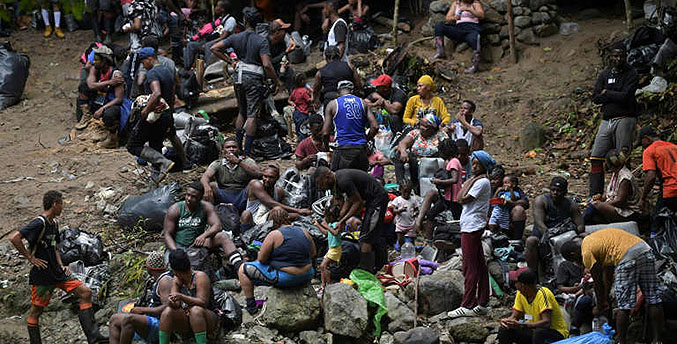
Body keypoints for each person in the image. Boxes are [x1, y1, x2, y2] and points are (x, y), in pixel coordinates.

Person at [9, 191, 107, 344]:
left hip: (58, 272)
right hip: (43, 276)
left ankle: (94, 337)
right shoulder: (39, 223)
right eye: (61, 203)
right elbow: (14, 238)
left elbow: (54, 247)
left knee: (86, 292)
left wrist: (62, 265)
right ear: (54, 204)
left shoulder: (53, 224)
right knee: (36, 312)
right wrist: (31, 258)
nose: (62, 207)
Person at [560, 228, 664, 344]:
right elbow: (607, 275)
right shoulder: (599, 239)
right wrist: (605, 298)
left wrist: (599, 306)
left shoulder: (586, 252)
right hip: (645, 250)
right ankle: (658, 340)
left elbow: (598, 282)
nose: (577, 263)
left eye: (574, 260)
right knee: (653, 299)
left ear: (573, 253)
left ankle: (621, 341)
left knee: (624, 305)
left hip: (627, 258)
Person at [210, 7, 280, 158]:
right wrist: (276, 80)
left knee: (242, 111)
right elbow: (267, 65)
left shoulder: (236, 37)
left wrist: (231, 61)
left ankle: (236, 147)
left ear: (244, 21)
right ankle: (246, 152)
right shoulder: (261, 40)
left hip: (238, 76)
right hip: (253, 78)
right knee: (252, 114)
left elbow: (214, 48)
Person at [239, 207, 317, 315]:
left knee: (243, 269)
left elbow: (261, 259)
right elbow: (313, 253)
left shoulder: (274, 234)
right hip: (308, 274)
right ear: (287, 218)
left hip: (287, 278)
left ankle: (251, 306)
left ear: (272, 221)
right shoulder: (304, 231)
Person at [314, 167, 389, 272]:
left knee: (366, 237)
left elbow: (358, 203)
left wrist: (342, 220)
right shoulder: (337, 182)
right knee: (369, 233)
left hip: (377, 200)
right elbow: (350, 199)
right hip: (369, 201)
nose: (321, 187)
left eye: (321, 183)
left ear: (327, 177)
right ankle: (378, 265)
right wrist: (341, 216)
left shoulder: (343, 180)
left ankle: (366, 270)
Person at [448, 151, 494, 319]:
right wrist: (468, 181)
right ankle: (483, 302)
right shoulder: (476, 180)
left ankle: (467, 304)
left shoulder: (482, 182)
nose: (473, 166)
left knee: (470, 266)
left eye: (477, 164)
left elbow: (461, 198)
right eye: (472, 163)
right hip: (469, 225)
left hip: (472, 227)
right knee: (480, 265)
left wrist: (467, 182)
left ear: (484, 167)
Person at [589, 46, 639, 197]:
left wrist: (607, 92)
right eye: (615, 56)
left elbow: (626, 96)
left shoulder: (631, 73)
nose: (618, 59)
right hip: (607, 120)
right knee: (596, 156)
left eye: (621, 56)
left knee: (622, 158)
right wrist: (614, 94)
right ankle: (595, 195)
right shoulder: (605, 74)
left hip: (625, 118)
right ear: (610, 57)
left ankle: (624, 195)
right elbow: (596, 97)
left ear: (626, 56)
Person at [125, 47, 179, 183]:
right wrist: (169, 113)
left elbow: (156, 93)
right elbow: (172, 94)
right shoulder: (168, 71)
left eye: (143, 62)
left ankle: (164, 163)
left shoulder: (152, 74)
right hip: (166, 114)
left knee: (133, 145)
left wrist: (145, 111)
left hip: (154, 116)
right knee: (156, 145)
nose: (143, 65)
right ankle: (155, 182)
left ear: (149, 59)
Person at [163, 181, 243, 269]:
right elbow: (167, 234)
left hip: (197, 243)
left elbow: (217, 226)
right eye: (187, 195)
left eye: (193, 197)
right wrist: (175, 251)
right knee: (173, 268)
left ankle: (239, 266)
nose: (189, 199)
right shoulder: (175, 209)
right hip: (179, 245)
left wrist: (204, 235)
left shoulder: (206, 207)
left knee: (222, 236)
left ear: (200, 198)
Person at [109, 251, 174, 344]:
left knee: (129, 320)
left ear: (149, 267)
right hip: (150, 319)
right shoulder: (156, 279)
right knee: (114, 319)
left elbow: (167, 307)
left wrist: (143, 310)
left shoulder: (165, 281)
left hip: (160, 324)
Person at [159, 249, 219, 344]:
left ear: (175, 270)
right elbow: (176, 304)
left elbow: (203, 302)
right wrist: (171, 301)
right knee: (167, 312)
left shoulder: (200, 277)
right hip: (188, 319)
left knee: (195, 310)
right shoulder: (176, 279)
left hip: (207, 318)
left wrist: (182, 297)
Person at [525, 177, 584, 273]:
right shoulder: (541, 201)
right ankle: (532, 275)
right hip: (543, 238)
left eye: (559, 191)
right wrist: (550, 236)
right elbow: (540, 224)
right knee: (531, 241)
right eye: (553, 190)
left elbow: (580, 226)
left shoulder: (571, 205)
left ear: (565, 192)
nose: (555, 193)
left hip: (563, 239)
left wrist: (571, 233)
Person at [498, 268, 568, 343]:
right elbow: (515, 315)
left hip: (554, 333)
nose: (514, 285)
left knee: (539, 333)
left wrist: (523, 325)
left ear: (522, 285)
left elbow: (546, 322)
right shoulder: (520, 293)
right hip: (533, 330)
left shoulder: (543, 294)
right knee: (504, 329)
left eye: (516, 282)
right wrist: (508, 322)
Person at [323, 80, 379, 172]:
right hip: (360, 149)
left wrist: (326, 148)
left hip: (343, 148)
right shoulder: (363, 103)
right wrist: (366, 139)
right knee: (360, 180)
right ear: (352, 91)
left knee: (340, 180)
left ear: (338, 92)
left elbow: (325, 133)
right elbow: (375, 126)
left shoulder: (333, 104)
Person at [416, 139, 464, 240]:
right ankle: (428, 240)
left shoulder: (454, 162)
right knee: (431, 214)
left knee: (457, 221)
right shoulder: (450, 162)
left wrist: (439, 182)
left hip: (453, 198)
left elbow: (454, 180)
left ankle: (458, 241)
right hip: (446, 197)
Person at [81, 46, 128, 149]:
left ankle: (113, 139)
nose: (93, 62)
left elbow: (118, 99)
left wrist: (103, 108)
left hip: (113, 102)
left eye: (97, 60)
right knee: (83, 87)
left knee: (108, 114)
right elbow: (90, 85)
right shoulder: (96, 69)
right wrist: (109, 82)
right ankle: (87, 118)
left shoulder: (115, 74)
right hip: (102, 98)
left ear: (104, 61)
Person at [240, 164, 313, 229]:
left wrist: (300, 214)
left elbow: (283, 211)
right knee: (246, 214)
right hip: (253, 220)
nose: (267, 180)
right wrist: (298, 210)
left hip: (268, 221)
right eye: (265, 176)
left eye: (271, 177)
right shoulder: (255, 184)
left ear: (277, 178)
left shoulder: (279, 191)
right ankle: (246, 237)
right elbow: (270, 203)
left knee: (294, 216)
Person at [201, 137, 262, 212]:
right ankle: (210, 214)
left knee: (254, 184)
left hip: (242, 194)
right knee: (210, 185)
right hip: (224, 194)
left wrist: (239, 162)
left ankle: (252, 214)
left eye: (234, 147)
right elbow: (205, 177)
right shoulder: (218, 163)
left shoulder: (247, 161)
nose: (231, 149)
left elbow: (258, 174)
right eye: (228, 147)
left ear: (239, 149)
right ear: (223, 150)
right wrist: (207, 187)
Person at [584, 149, 640, 224]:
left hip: (627, 211)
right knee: (594, 206)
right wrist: (601, 198)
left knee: (596, 205)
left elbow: (620, 201)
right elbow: (610, 193)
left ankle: (582, 222)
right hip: (616, 207)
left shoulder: (625, 178)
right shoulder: (616, 172)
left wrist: (603, 205)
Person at [394, 114, 449, 190]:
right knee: (398, 154)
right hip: (415, 163)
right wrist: (403, 151)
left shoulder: (440, 135)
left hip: (432, 163)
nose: (421, 128)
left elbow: (448, 149)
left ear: (433, 128)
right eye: (421, 125)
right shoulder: (416, 133)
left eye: (425, 126)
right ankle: (401, 184)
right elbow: (403, 143)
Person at [183, 0, 237, 70]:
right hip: (215, 41)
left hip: (225, 44)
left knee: (208, 45)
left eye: (217, 6)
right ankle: (187, 69)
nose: (215, 8)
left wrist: (209, 43)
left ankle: (210, 69)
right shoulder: (220, 19)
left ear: (222, 9)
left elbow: (224, 37)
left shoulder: (230, 20)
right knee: (191, 45)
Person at [433, 0, 484, 73]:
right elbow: (448, 17)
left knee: (475, 37)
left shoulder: (475, 3)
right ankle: (440, 52)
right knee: (439, 26)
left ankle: (475, 65)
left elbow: (481, 15)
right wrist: (454, 18)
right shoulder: (456, 3)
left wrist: (469, 10)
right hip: (459, 28)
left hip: (472, 28)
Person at [638, 126, 677, 213]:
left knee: (657, 221)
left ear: (647, 139)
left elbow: (651, 176)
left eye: (642, 143)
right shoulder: (674, 146)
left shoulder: (650, 150)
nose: (642, 147)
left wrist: (643, 198)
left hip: (671, 189)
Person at [558, 242, 594, 335]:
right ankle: (575, 326)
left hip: (593, 289)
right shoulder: (565, 266)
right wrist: (578, 287)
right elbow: (561, 287)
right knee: (584, 301)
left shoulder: (589, 260)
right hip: (576, 293)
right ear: (573, 254)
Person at [313, 202, 343, 289]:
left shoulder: (337, 224)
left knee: (323, 266)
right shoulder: (330, 225)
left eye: (326, 216)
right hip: (331, 249)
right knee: (323, 267)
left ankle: (329, 284)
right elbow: (327, 233)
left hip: (335, 249)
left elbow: (335, 233)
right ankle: (323, 284)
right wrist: (318, 225)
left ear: (331, 217)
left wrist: (326, 226)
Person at [288, 73, 313, 143]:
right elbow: (310, 101)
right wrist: (312, 93)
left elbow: (289, 100)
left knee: (298, 130)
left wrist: (293, 103)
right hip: (303, 113)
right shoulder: (304, 91)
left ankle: (299, 144)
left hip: (296, 113)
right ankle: (303, 145)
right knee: (304, 131)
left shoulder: (294, 91)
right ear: (302, 81)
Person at [392, 183, 418, 247]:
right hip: (400, 224)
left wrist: (416, 213)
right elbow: (393, 210)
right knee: (400, 239)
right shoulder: (397, 200)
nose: (406, 194)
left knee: (411, 239)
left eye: (408, 192)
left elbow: (416, 209)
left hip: (410, 223)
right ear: (400, 190)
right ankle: (401, 249)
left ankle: (411, 249)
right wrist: (399, 211)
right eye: (404, 192)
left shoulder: (413, 200)